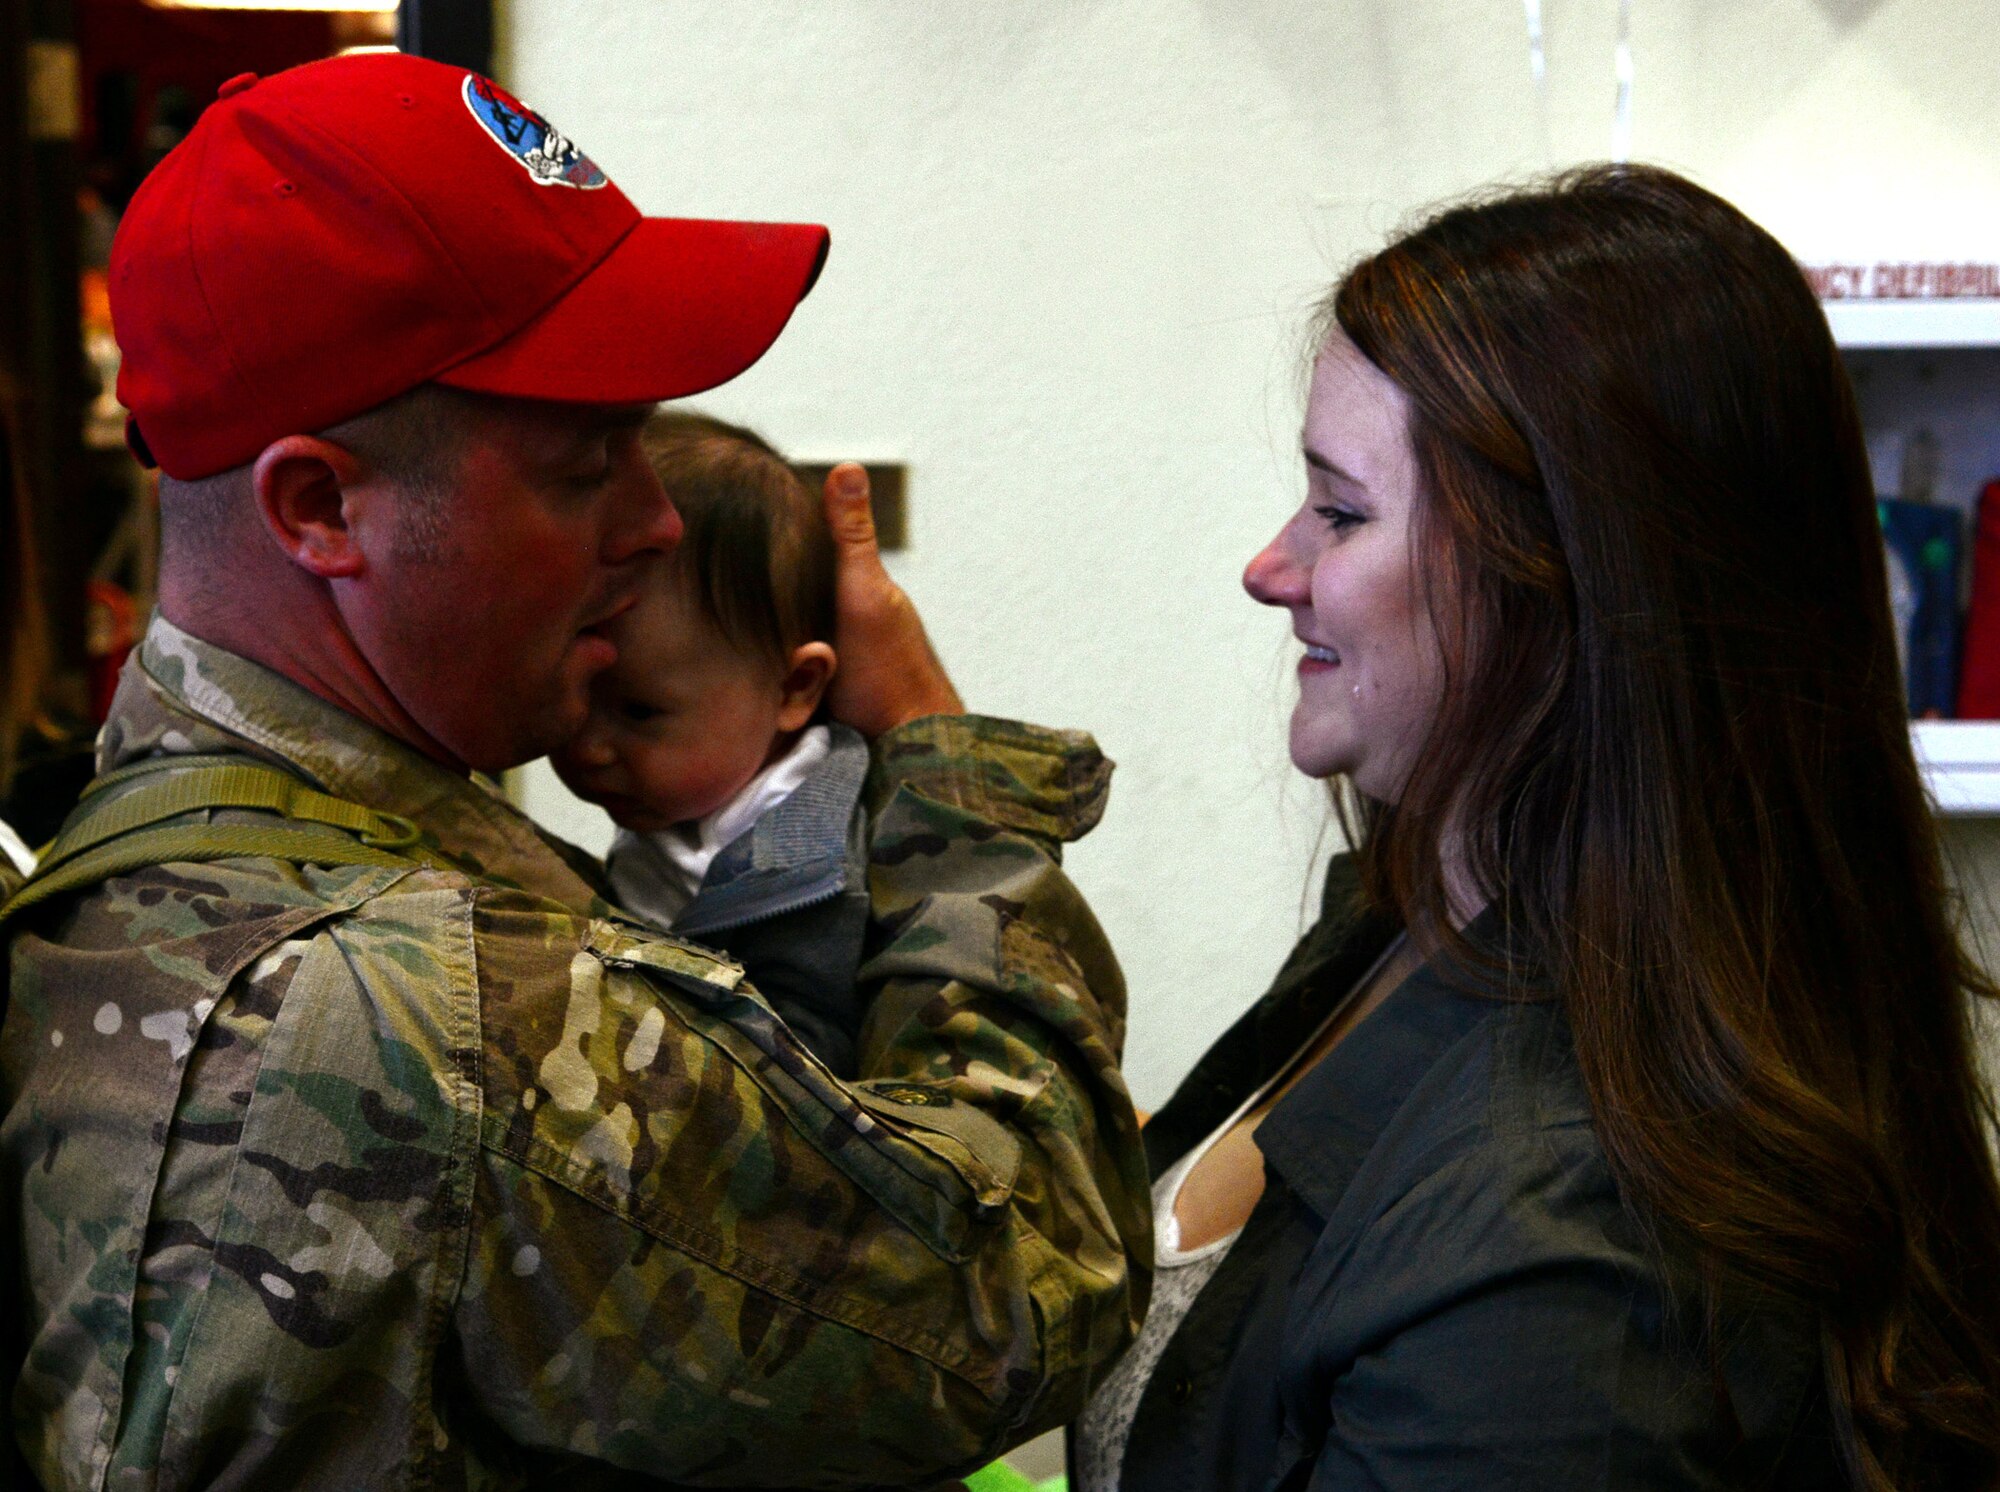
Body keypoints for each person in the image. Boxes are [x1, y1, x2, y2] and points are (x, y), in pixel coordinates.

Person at [0, 53, 1150, 1490]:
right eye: (586, 462)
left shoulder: (133, 846)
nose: (659, 522)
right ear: (319, 506)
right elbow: (1032, 1275)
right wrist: (938, 763)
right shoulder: (430, 1013)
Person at [1076, 164, 2000, 1491]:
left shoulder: (1564, 1263)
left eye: (1339, 511)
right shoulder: (1419, 922)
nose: (1271, 568)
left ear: (1566, 585)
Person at [553, 409, 873, 1077]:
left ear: (794, 688)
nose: (587, 746)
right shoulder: (688, 807)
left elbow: (817, 1071)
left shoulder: (821, 872)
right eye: (576, 693)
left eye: (638, 711)